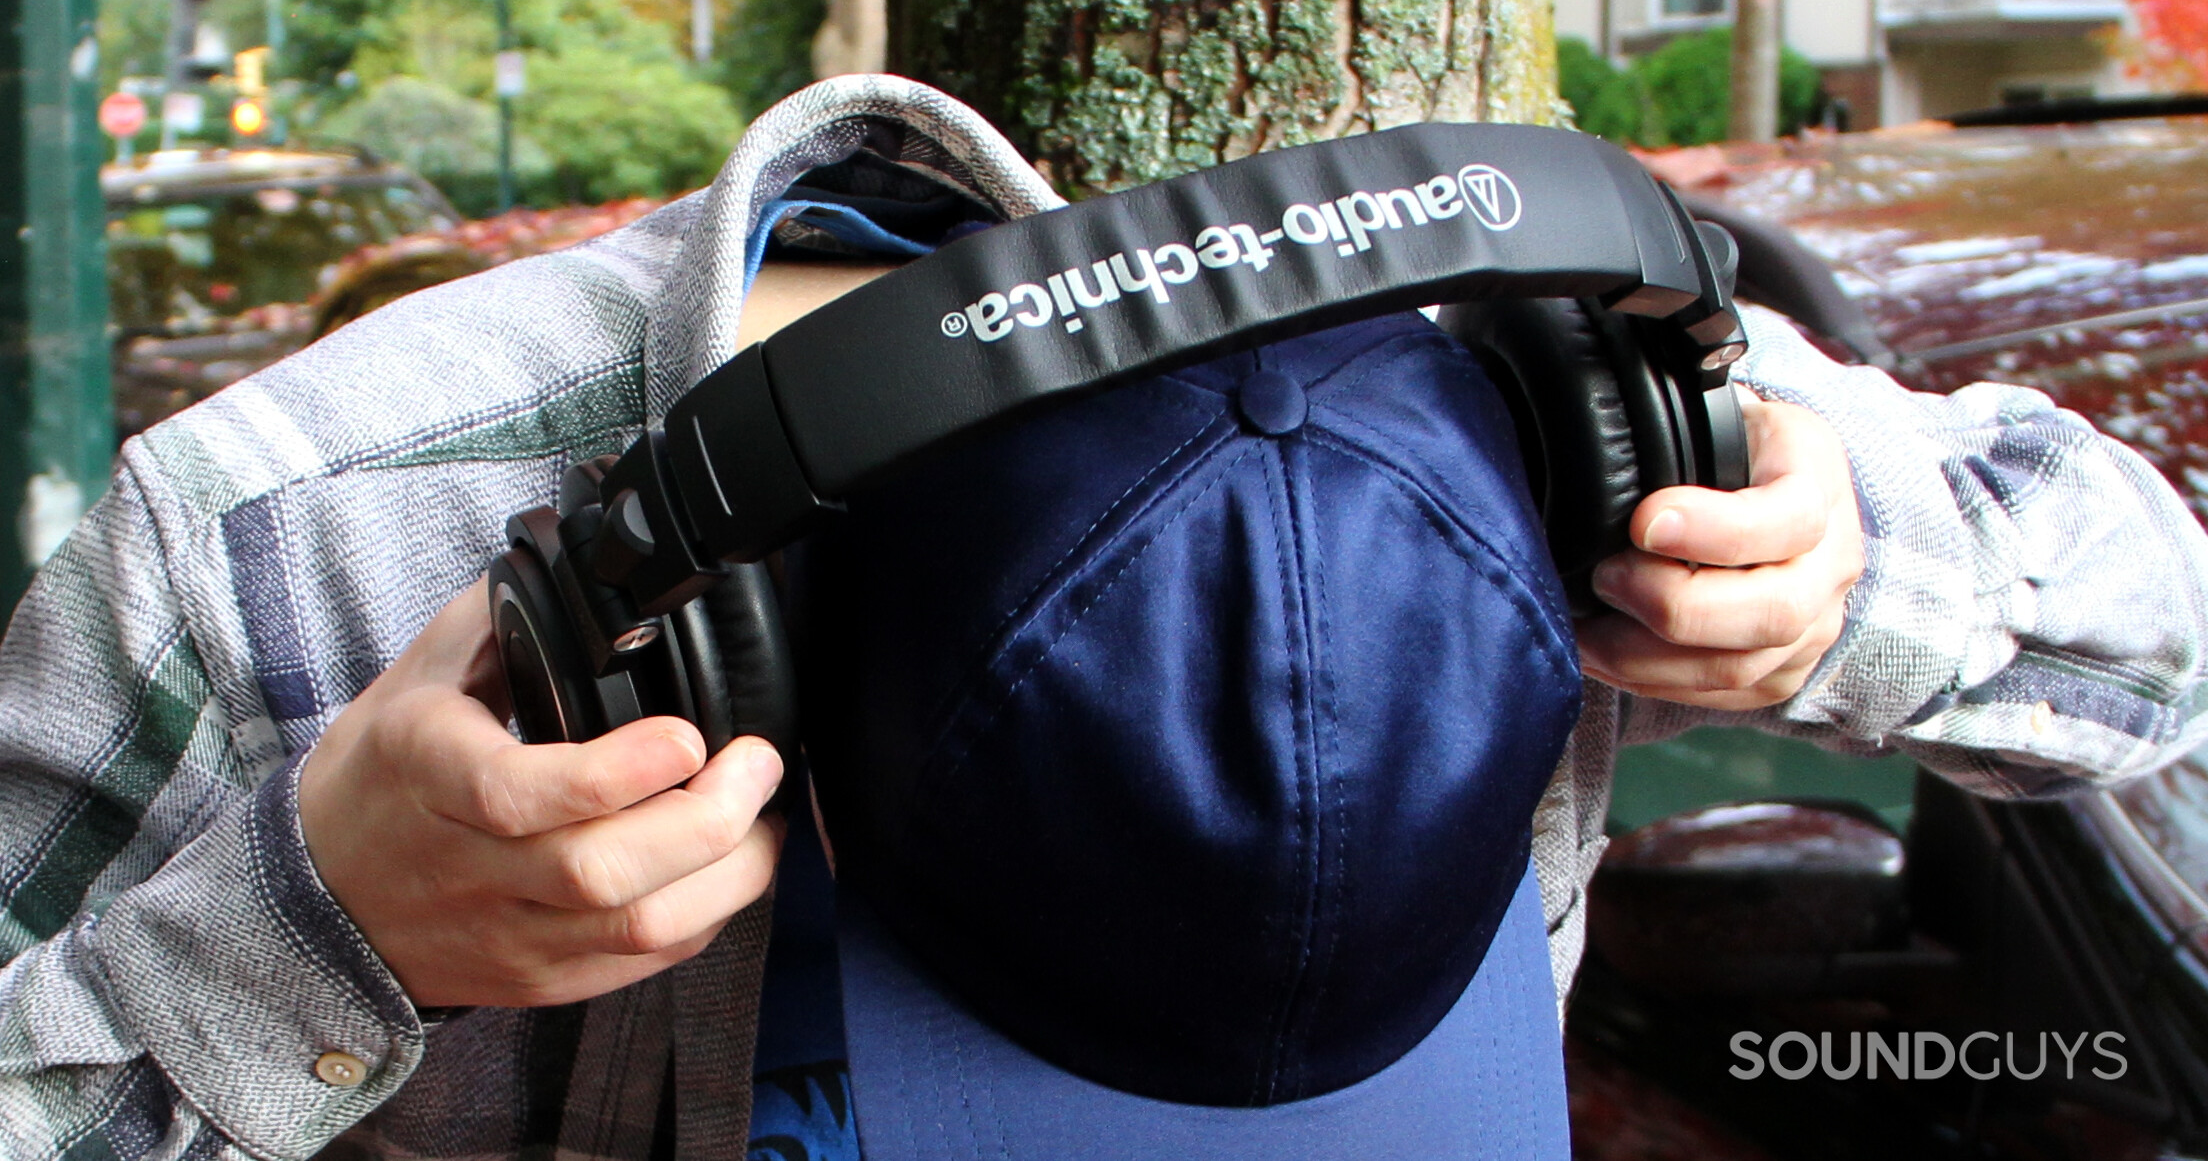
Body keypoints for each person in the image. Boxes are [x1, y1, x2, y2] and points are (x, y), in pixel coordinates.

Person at [0, 75, 2201, 1159]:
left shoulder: (1569, 430)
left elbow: (2166, 644)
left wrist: (1846, 587)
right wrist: (304, 936)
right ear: (724, 666)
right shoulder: (276, 553)